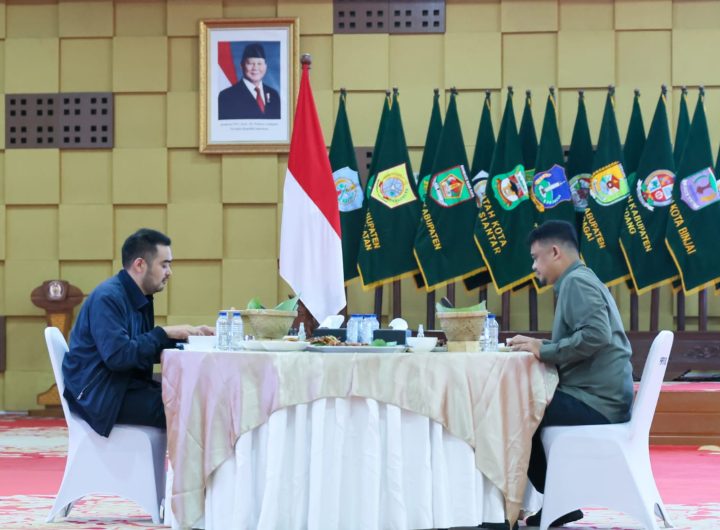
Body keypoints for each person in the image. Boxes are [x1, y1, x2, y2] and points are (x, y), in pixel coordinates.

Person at [507, 220, 634, 528]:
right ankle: (559, 500)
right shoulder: (579, 279)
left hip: (596, 401)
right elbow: (587, 336)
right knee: (522, 407)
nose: (534, 266)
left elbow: (595, 336)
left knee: (516, 413)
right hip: (600, 395)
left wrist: (544, 350)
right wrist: (542, 345)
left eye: (536, 257)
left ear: (555, 252)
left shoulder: (577, 282)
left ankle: (558, 500)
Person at [62, 229, 213, 437]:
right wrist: (163, 332)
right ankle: (200, 461)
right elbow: (119, 357)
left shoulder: (139, 296)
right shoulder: (108, 298)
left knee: (199, 398)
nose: (169, 272)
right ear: (140, 265)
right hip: (100, 397)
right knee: (191, 407)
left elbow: (141, 351)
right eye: (164, 265)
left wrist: (191, 339)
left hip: (122, 386)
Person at [218, 42, 281, 120]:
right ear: (242, 65)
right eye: (250, 63)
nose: (255, 68)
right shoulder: (227, 96)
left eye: (259, 63)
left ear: (265, 66)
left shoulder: (274, 95)